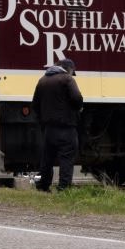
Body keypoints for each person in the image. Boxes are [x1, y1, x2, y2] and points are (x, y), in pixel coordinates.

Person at [31, 58, 83, 191]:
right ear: (69, 69)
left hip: (49, 129)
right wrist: (78, 108)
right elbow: (77, 98)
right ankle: (63, 188)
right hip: (66, 127)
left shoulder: (42, 80)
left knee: (47, 159)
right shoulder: (67, 79)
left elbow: (35, 104)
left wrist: (43, 120)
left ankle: (44, 186)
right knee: (66, 158)